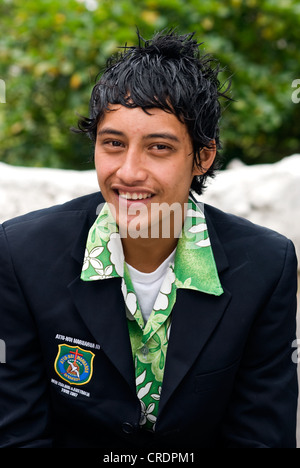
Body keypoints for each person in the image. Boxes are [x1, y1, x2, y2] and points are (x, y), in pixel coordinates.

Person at [0, 29, 298, 450]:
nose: (129, 171)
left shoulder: (266, 265)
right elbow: (18, 435)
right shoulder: (22, 253)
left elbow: (261, 436)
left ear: (203, 157)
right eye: (113, 144)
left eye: (159, 147)